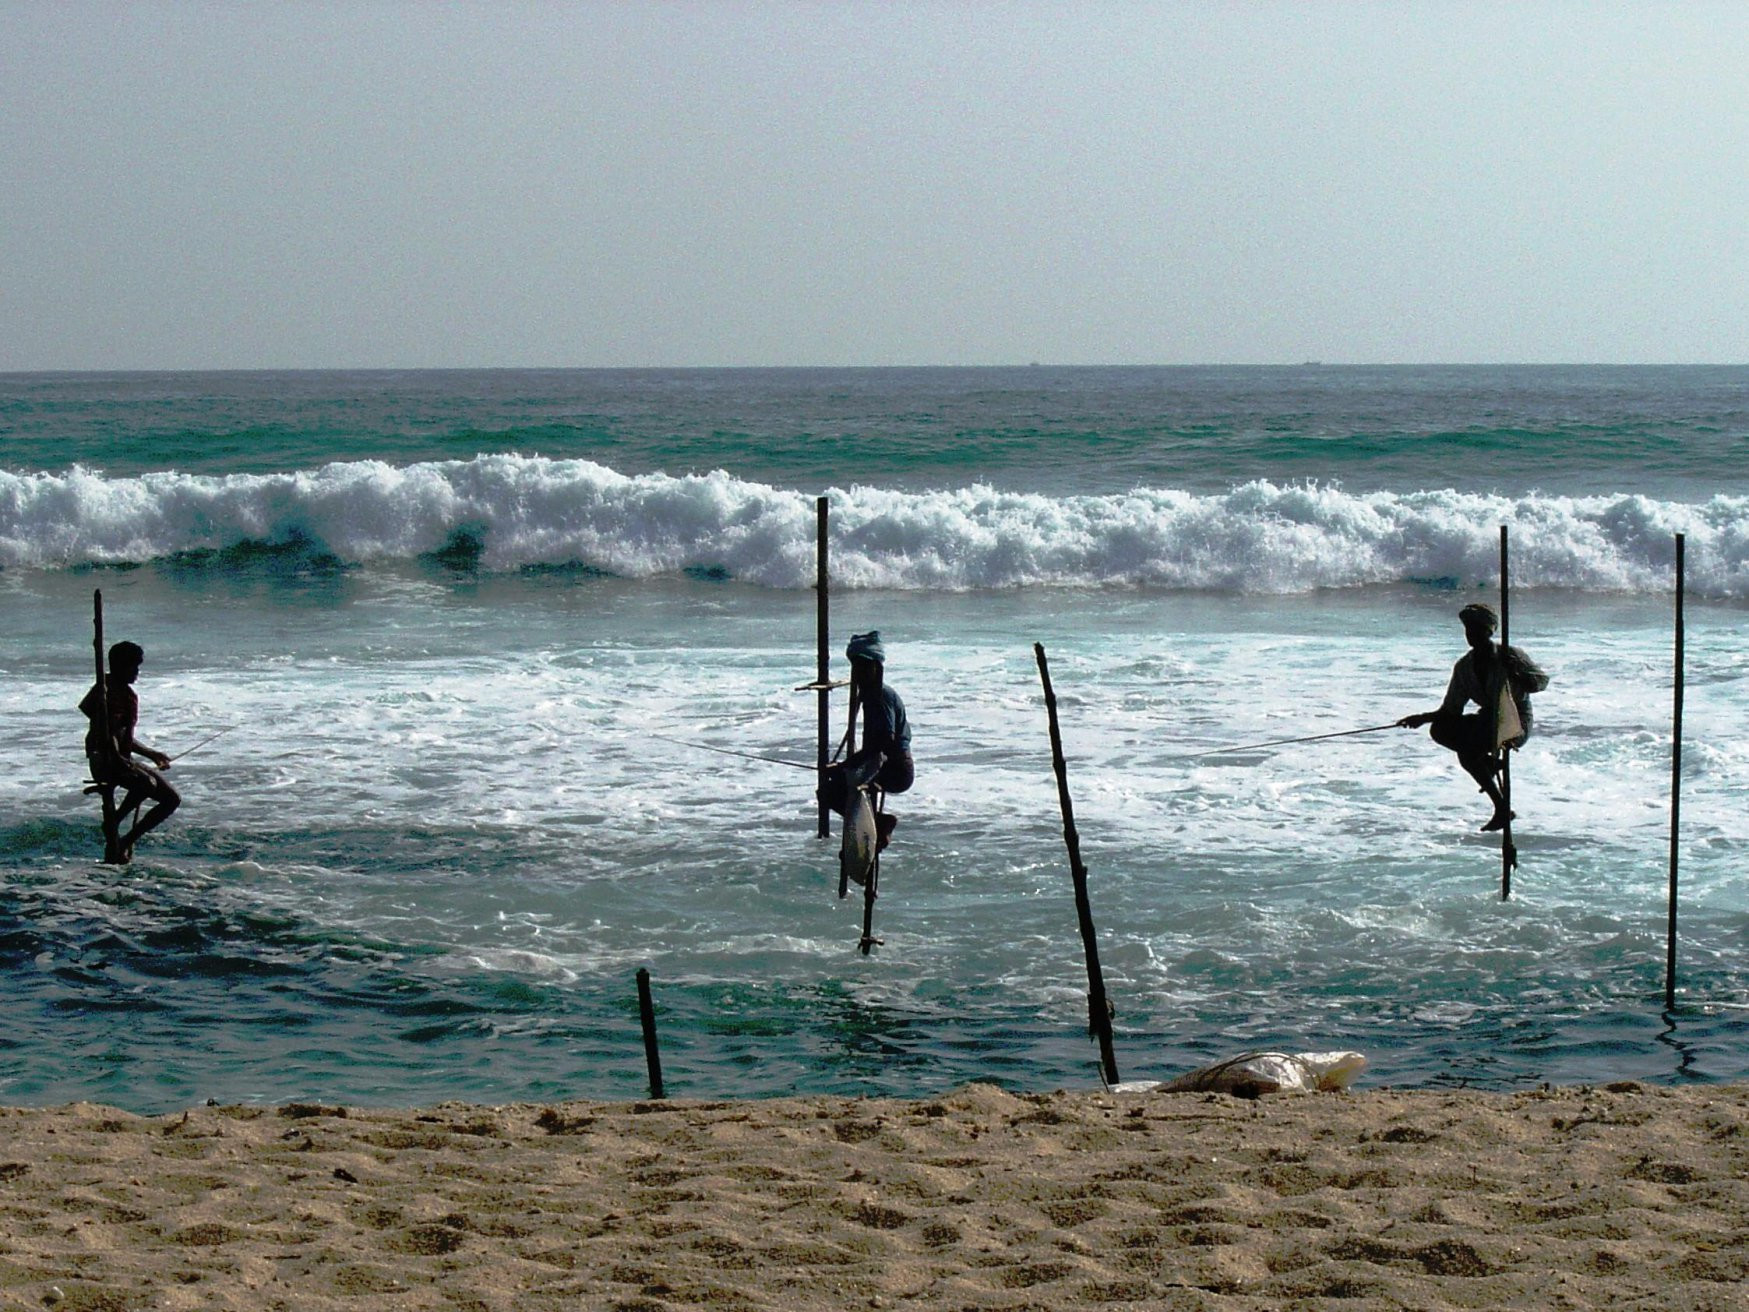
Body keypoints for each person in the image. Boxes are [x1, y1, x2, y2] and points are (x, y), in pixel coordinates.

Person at [1398, 603, 1549, 832]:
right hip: (1486, 721)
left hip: (1515, 721)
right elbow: (1450, 711)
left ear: (1489, 631)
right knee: (1440, 730)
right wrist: (1421, 718)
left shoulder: (1509, 654)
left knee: (1467, 753)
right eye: (1468, 630)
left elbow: (1540, 683)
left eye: (1477, 630)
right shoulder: (1464, 667)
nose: (1472, 635)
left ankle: (1499, 803)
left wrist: (1516, 670)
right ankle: (1496, 791)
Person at [79, 640, 180, 862]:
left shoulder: (123, 693)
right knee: (145, 783)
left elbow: (122, 736)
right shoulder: (106, 692)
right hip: (104, 761)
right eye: (132, 667)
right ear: (119, 667)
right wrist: (116, 755)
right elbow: (106, 731)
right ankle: (113, 822)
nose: (137, 672)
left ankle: (125, 841)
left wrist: (152, 754)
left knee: (171, 799)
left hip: (120, 758)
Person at [820, 631, 913, 851]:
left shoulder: (879, 696)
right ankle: (872, 825)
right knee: (837, 789)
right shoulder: (871, 693)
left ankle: (880, 823)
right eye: (856, 666)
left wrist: (845, 766)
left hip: (896, 769)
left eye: (865, 666)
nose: (859, 672)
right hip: (883, 763)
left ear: (877, 668)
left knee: (829, 793)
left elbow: (882, 743)